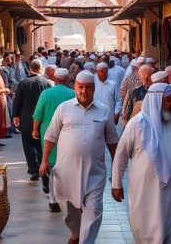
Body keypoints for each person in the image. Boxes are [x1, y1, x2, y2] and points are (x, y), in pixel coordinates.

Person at [112, 82, 171, 244]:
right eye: (169, 100)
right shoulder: (137, 124)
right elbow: (121, 156)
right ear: (156, 101)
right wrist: (116, 183)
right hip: (146, 199)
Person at [40, 72, 119, 244]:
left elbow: (113, 142)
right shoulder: (63, 108)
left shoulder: (104, 111)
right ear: (74, 86)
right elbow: (50, 137)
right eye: (80, 87)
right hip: (66, 173)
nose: (84, 91)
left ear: (94, 88)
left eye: (88, 87)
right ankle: (75, 234)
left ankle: (85, 241)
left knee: (94, 211)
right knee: (70, 212)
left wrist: (117, 169)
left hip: (94, 174)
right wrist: (44, 160)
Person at [33, 67, 76, 211]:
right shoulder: (72, 93)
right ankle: (67, 196)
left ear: (55, 78)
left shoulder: (46, 94)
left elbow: (38, 114)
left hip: (48, 133)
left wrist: (34, 129)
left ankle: (53, 199)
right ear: (66, 79)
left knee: (50, 167)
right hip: (68, 133)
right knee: (67, 166)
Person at [13, 59, 51, 181]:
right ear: (40, 69)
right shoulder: (46, 83)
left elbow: (17, 101)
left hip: (26, 119)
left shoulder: (23, 83)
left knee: (28, 145)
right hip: (42, 120)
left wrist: (15, 115)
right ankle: (43, 167)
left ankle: (34, 169)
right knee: (41, 144)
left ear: (31, 68)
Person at [1, 54, 19, 136]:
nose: (12, 60)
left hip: (13, 91)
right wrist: (10, 91)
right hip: (8, 92)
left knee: (12, 110)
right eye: (10, 58)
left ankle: (12, 127)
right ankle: (8, 129)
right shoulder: (4, 69)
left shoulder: (12, 67)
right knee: (9, 110)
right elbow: (6, 82)